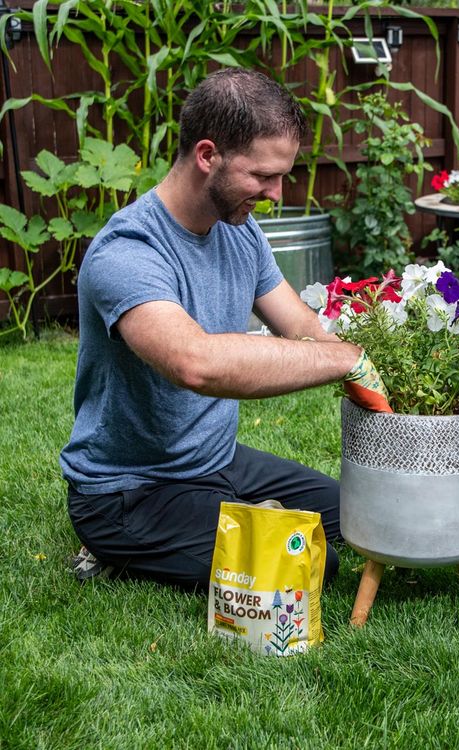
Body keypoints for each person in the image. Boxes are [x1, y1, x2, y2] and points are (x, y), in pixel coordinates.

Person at [60, 68, 389, 589]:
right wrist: (345, 360)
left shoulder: (240, 230)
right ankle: (113, 544)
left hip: (218, 460)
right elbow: (196, 364)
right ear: (207, 155)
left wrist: (383, 369)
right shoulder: (127, 252)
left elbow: (299, 324)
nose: (276, 193)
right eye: (263, 176)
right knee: (303, 565)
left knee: (359, 515)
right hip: (130, 491)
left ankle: (226, 514)